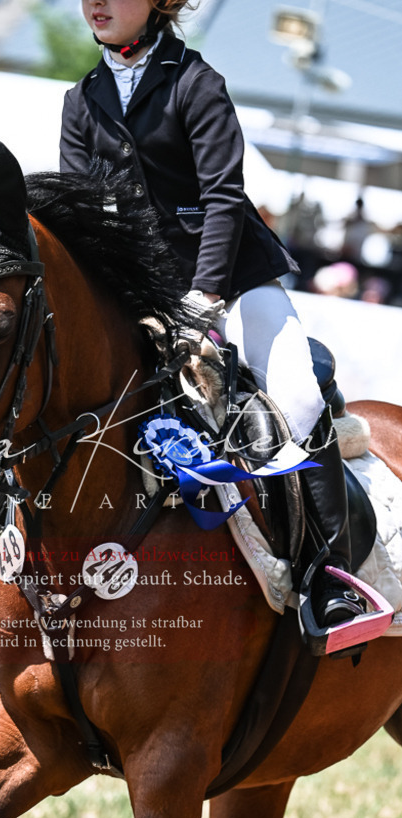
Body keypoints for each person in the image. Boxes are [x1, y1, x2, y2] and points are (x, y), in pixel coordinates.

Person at [60, 0, 367, 637]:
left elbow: (223, 198)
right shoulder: (81, 99)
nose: (96, 3)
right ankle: (17, 562)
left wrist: (205, 295)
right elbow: (82, 213)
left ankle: (330, 577)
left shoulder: (196, 82)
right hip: (140, 289)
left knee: (296, 394)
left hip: (231, 277)